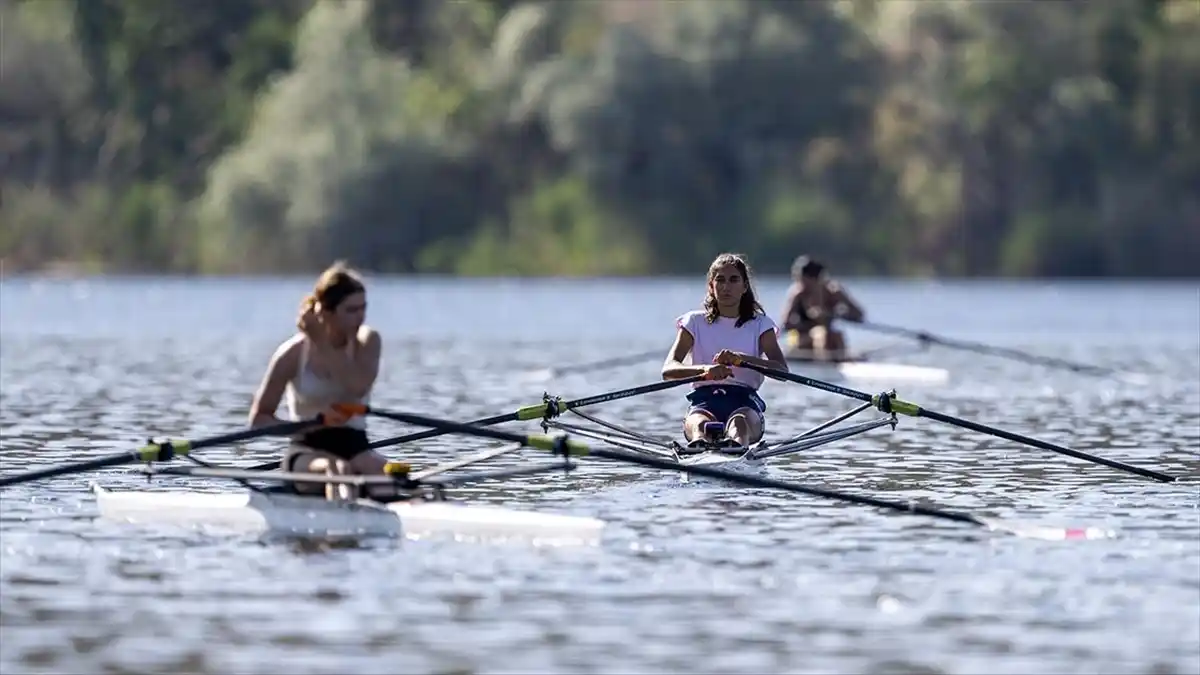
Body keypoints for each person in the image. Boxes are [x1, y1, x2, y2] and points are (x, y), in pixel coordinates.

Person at [247, 261, 390, 500]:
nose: (360, 317)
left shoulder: (368, 342)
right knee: (337, 470)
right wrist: (311, 425)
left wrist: (323, 343)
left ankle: (400, 515)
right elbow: (259, 419)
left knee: (384, 472)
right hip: (306, 450)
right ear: (326, 311)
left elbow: (357, 387)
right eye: (351, 310)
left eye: (363, 308)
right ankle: (340, 531)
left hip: (355, 446)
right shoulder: (292, 354)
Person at [662, 253, 789, 449]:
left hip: (745, 402)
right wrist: (706, 371)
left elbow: (781, 371)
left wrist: (741, 360)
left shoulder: (761, 325)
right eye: (719, 280)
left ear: (744, 287)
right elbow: (669, 370)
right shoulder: (694, 322)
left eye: (733, 280)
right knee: (700, 425)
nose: (726, 286)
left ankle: (735, 447)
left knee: (738, 424)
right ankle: (699, 447)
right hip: (703, 401)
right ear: (711, 287)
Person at [779, 255, 865, 361]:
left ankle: (838, 363)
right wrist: (812, 322)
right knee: (821, 334)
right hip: (800, 340)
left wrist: (837, 315)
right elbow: (786, 324)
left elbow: (858, 314)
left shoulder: (833, 292)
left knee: (836, 335)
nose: (800, 282)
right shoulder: (798, 294)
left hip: (830, 337)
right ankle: (825, 365)